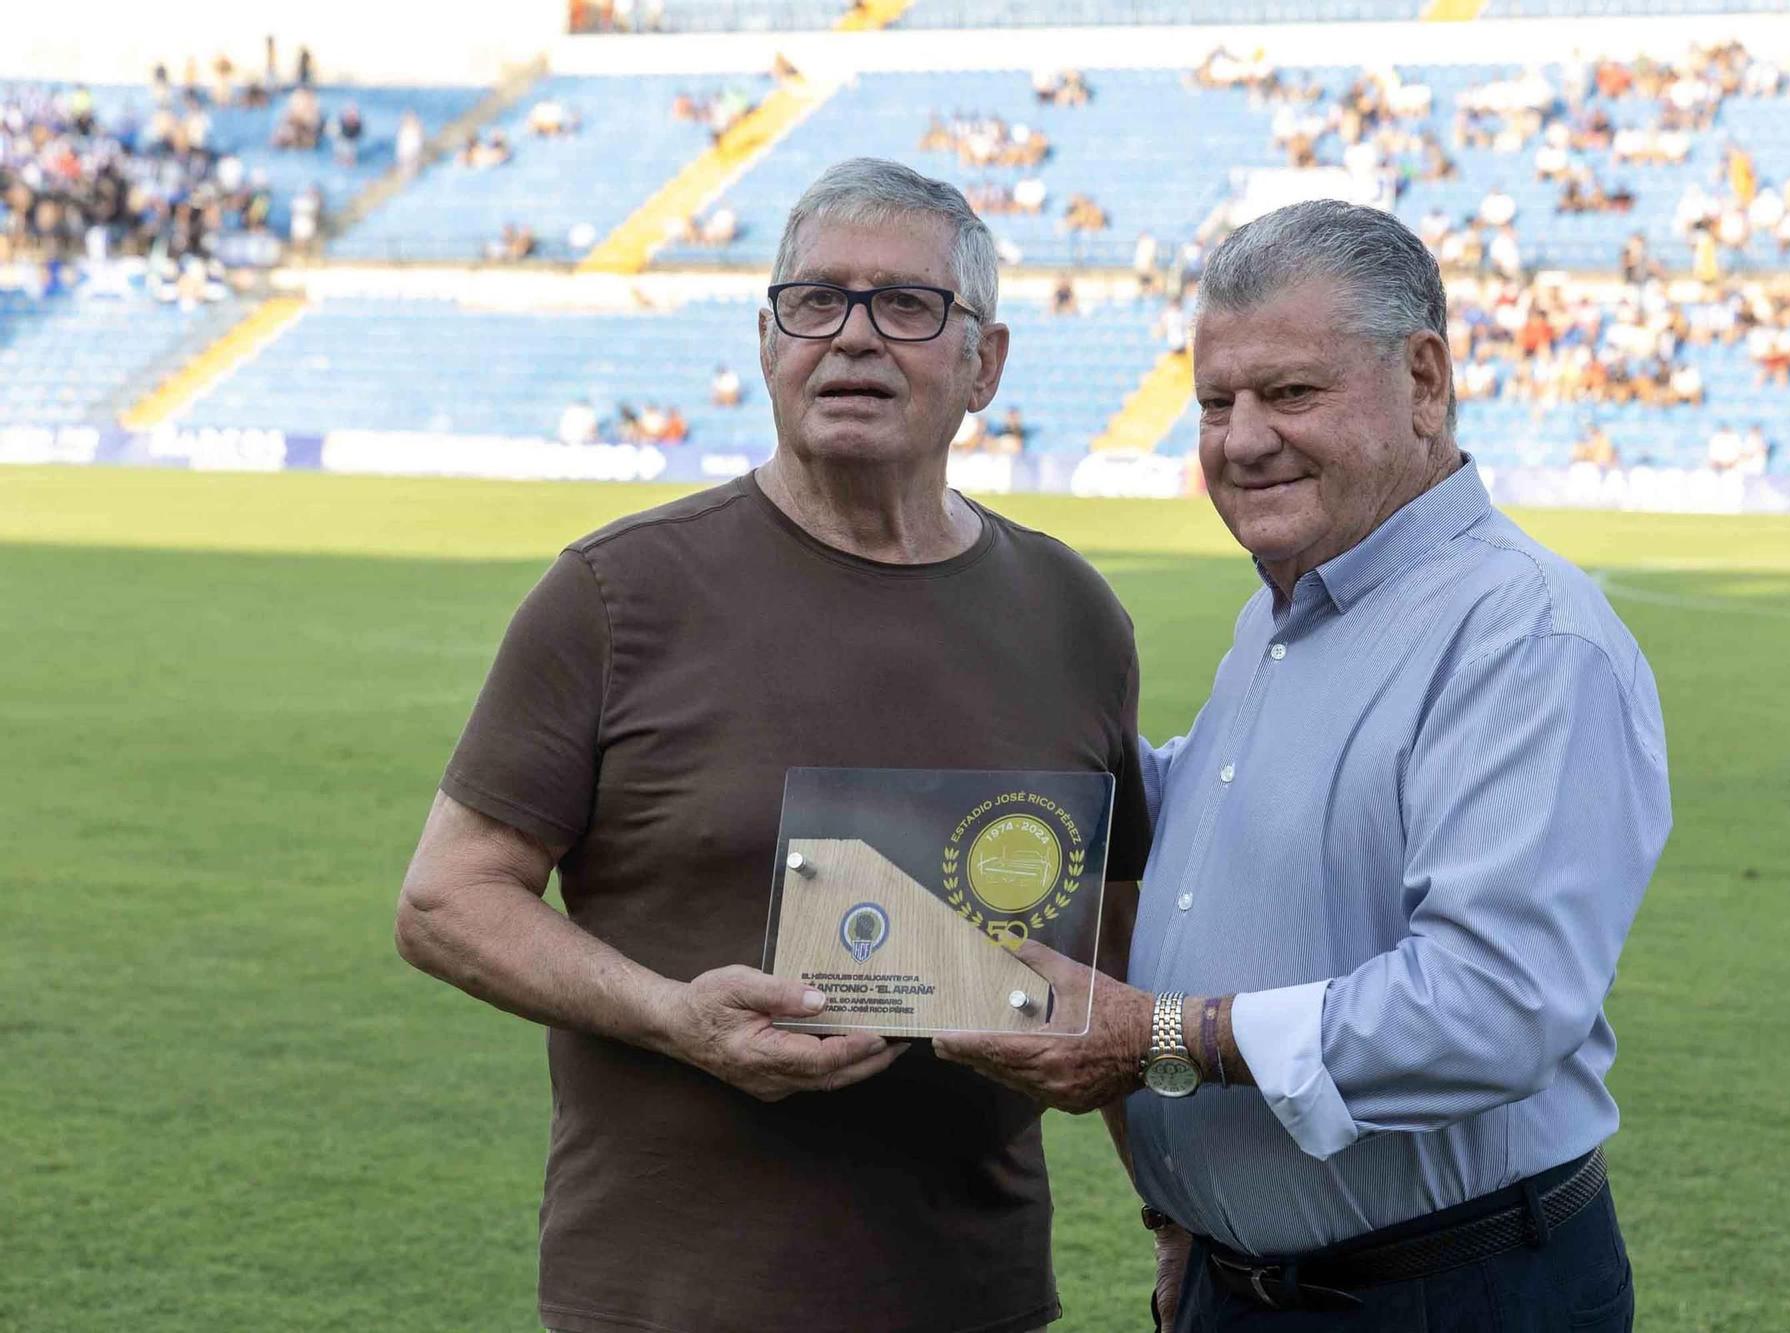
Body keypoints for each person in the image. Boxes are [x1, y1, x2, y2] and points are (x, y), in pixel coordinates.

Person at [394, 157, 1151, 1333]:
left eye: (905, 305)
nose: (851, 336)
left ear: (983, 363)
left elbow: (1110, 941)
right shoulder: (614, 593)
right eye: (814, 301)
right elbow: (445, 900)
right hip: (668, 1300)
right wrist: (670, 1016)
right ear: (765, 342)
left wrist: (1169, 1206)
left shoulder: (1071, 613)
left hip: (972, 1295)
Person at [935, 199, 1670, 1331]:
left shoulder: (1522, 638)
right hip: (1238, 1283)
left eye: (1288, 393)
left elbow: (1493, 1005)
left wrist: (1157, 1034)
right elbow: (1219, 840)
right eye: (1213, 403)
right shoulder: (1281, 616)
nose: (1239, 439)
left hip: (1445, 1293)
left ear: (1423, 381)